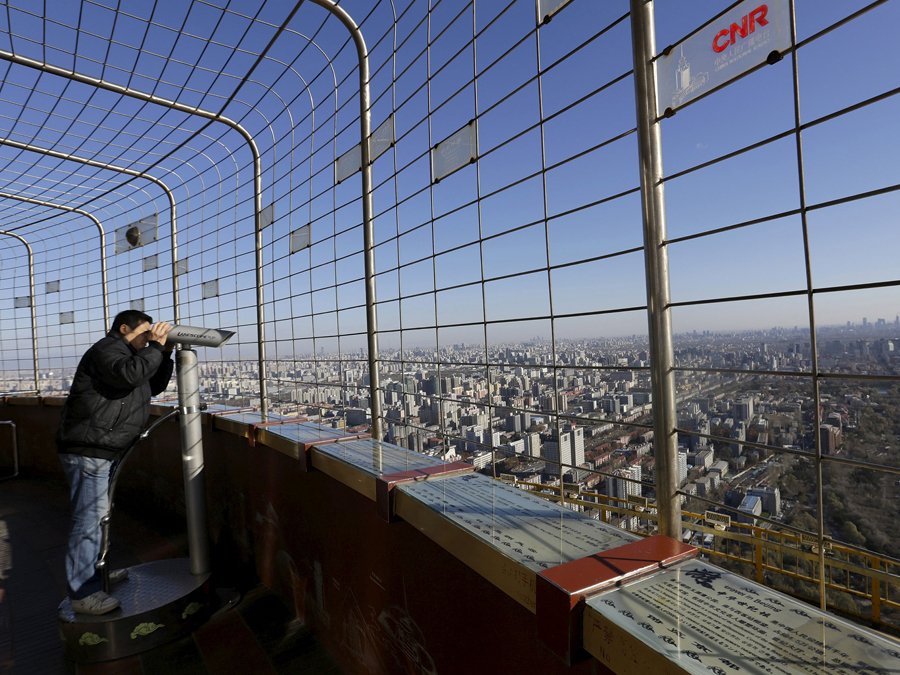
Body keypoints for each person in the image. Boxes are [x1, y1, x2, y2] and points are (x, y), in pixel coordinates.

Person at [57, 310, 174, 615]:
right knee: (88, 520)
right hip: (89, 449)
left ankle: (95, 577)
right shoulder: (106, 350)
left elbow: (152, 385)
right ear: (124, 328)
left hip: (103, 449)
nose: (150, 337)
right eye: (145, 332)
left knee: (99, 517)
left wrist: (165, 352)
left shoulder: (131, 356)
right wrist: (155, 349)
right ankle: (83, 594)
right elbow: (130, 375)